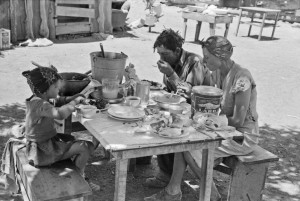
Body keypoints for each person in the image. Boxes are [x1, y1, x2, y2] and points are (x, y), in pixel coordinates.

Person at [144, 36, 259, 201]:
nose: (204, 61)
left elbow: (239, 121)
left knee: (191, 147)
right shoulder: (217, 73)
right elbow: (211, 101)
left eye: (207, 57)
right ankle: (172, 192)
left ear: (221, 56)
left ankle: (211, 196)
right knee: (182, 137)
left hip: (242, 136)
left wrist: (209, 121)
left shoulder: (242, 78)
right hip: (224, 129)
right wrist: (193, 100)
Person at [143, 28, 211, 188]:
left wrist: (171, 74)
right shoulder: (171, 62)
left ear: (178, 50)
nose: (161, 58)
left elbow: (191, 92)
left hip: (198, 112)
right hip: (179, 108)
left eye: (165, 54)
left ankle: (167, 176)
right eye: (159, 54)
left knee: (167, 123)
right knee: (155, 117)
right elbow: (170, 92)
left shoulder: (195, 62)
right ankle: (161, 169)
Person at [21, 66, 100, 191]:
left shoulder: (37, 99)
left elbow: (59, 101)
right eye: (56, 87)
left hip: (40, 146)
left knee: (72, 140)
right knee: (86, 146)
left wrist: (75, 97)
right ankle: (80, 180)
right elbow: (60, 114)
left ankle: (76, 175)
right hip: (43, 152)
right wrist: (73, 104)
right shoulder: (41, 105)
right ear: (45, 90)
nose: (59, 90)